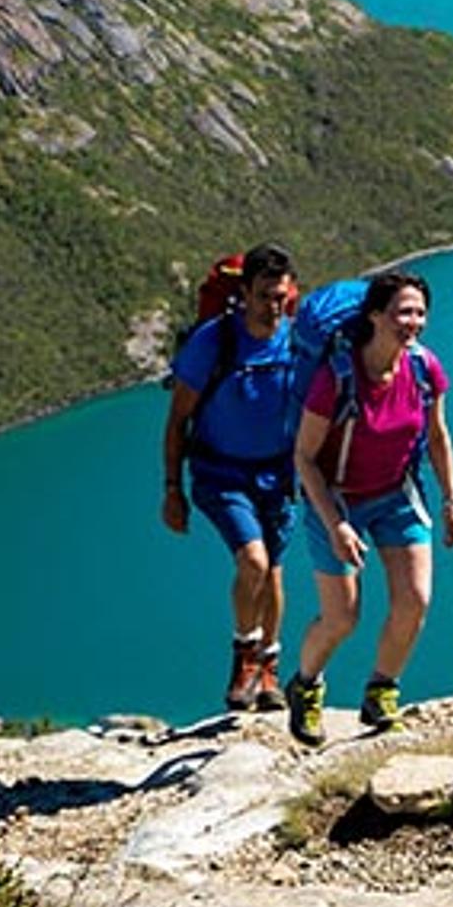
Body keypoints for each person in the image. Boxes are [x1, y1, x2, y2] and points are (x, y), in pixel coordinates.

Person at [287, 271, 453, 745]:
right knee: (342, 617)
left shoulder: (424, 369)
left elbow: (437, 437)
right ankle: (305, 685)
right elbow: (303, 456)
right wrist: (336, 523)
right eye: (402, 312)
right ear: (374, 316)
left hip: (397, 494)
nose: (414, 323)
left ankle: (382, 690)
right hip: (337, 499)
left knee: (415, 600)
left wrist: (451, 499)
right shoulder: (337, 378)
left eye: (420, 313)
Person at [159, 245, 315, 716]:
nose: (274, 306)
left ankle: (269, 665)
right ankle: (244, 654)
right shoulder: (215, 341)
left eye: (282, 297)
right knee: (254, 560)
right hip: (220, 471)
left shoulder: (297, 342)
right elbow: (177, 419)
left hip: (277, 473)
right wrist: (172, 490)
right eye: (265, 295)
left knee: (274, 571)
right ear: (243, 293)